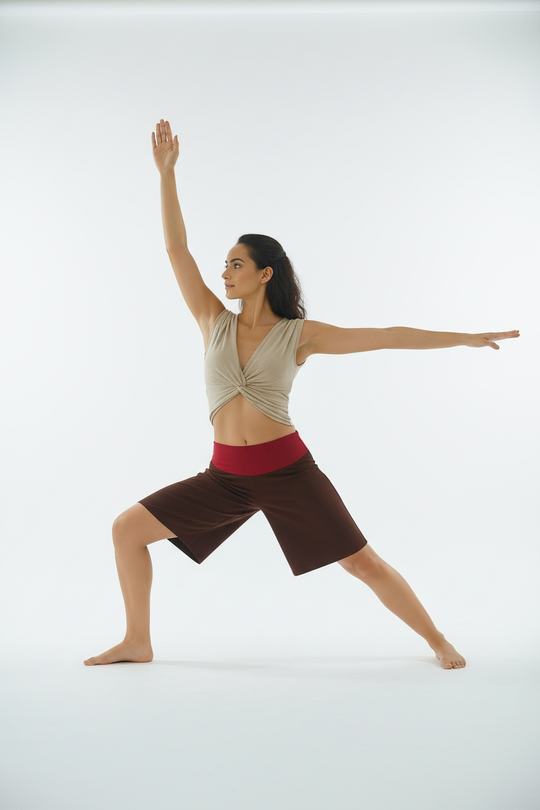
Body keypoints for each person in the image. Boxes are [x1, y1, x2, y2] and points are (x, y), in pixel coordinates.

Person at [84, 119, 519, 669]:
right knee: (127, 529)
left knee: (363, 564)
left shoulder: (299, 334)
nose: (224, 274)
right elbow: (176, 250)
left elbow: (386, 337)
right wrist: (167, 175)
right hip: (224, 479)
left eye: (236, 265)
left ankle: (437, 640)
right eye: (224, 266)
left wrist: (465, 339)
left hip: (290, 474)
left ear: (266, 274)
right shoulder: (211, 320)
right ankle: (138, 642)